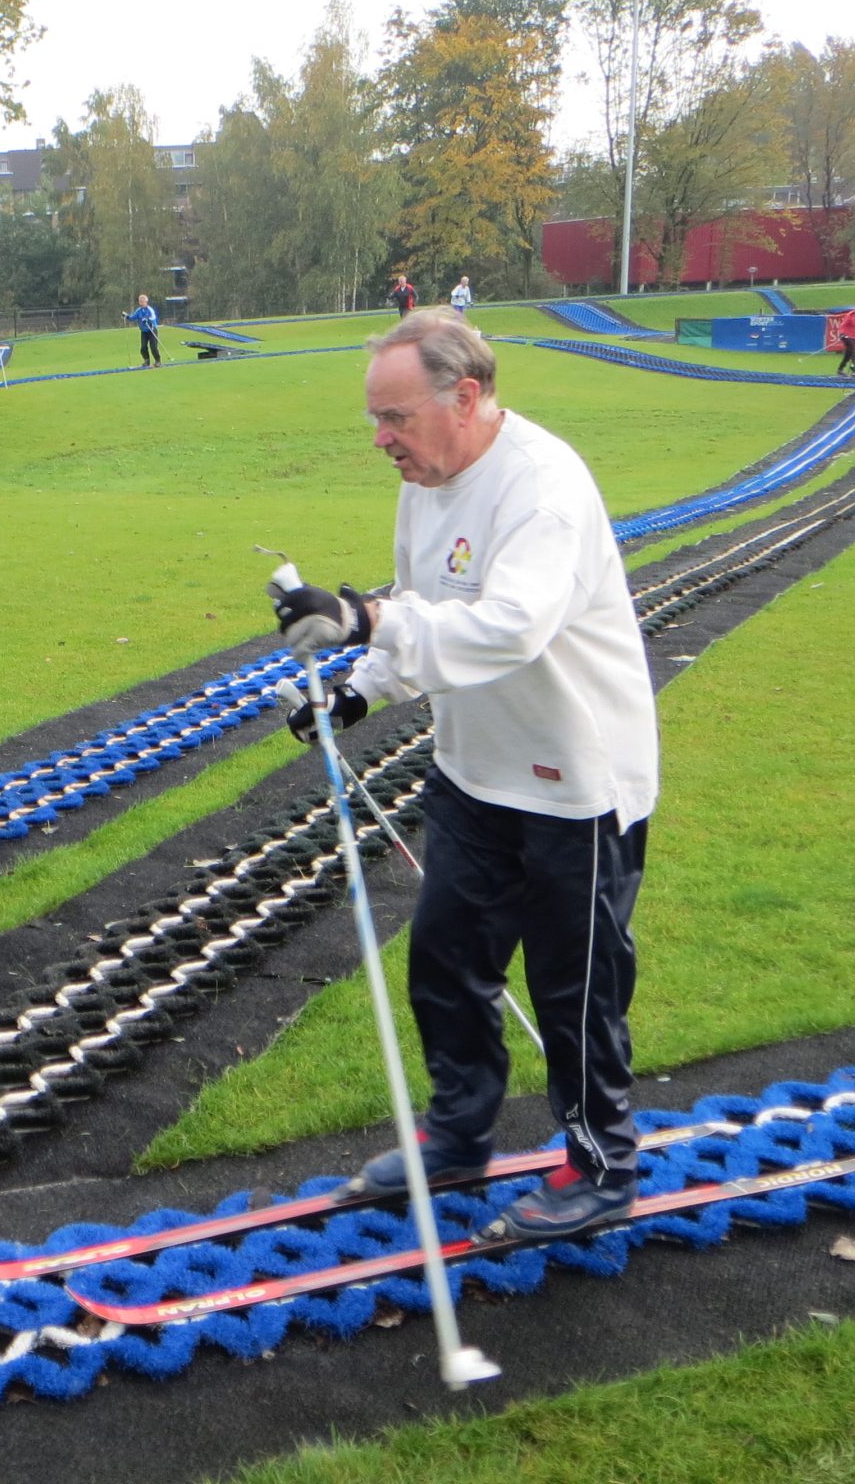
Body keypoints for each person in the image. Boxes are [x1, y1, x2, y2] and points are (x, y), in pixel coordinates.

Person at [268, 307, 660, 1242]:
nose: (381, 438)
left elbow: (509, 627)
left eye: (395, 416)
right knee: (446, 965)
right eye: (377, 417)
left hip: (577, 786)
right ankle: (457, 1137)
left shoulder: (542, 488)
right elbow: (424, 609)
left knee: (576, 992)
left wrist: (362, 619)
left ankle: (603, 1167)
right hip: (474, 773)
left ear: (466, 397)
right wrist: (356, 692)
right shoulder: (427, 483)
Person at [123, 293, 163, 367]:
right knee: (143, 347)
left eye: (142, 301)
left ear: (146, 302)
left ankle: (158, 361)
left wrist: (147, 319)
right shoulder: (138, 311)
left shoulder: (150, 309)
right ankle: (146, 361)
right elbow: (133, 318)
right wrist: (127, 316)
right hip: (144, 331)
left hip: (152, 330)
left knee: (153, 347)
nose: (141, 303)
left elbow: (153, 317)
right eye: (140, 301)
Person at [835, 301, 855, 377]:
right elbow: (843, 325)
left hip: (854, 336)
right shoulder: (850, 315)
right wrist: (841, 333)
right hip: (846, 336)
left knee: (848, 354)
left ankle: (840, 369)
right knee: (854, 353)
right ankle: (854, 371)